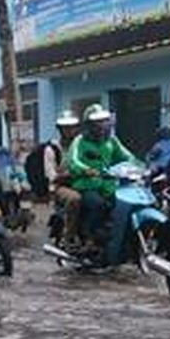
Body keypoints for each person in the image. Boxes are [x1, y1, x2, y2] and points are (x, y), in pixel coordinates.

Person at [64, 103, 139, 261]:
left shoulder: (112, 141)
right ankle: (89, 238)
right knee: (98, 205)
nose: (101, 126)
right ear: (89, 125)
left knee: (122, 206)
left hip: (109, 186)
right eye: (97, 122)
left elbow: (128, 157)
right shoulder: (79, 141)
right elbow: (73, 161)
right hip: (87, 185)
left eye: (104, 121)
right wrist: (86, 170)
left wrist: (141, 167)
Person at [46, 110, 84, 244]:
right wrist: (71, 173)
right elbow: (52, 176)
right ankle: (68, 237)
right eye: (66, 128)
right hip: (61, 188)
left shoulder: (82, 145)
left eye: (73, 127)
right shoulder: (52, 149)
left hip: (84, 183)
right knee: (75, 199)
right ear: (60, 129)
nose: (70, 131)